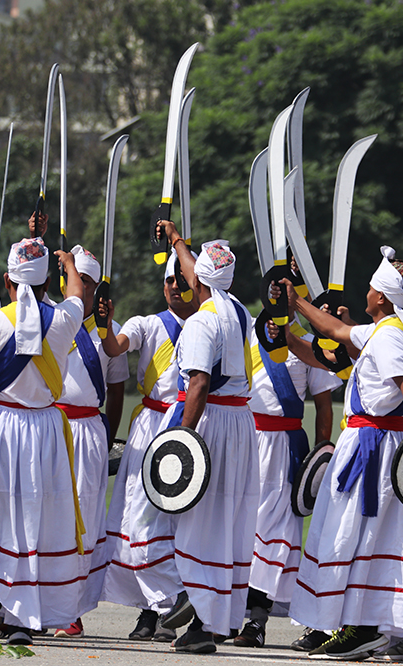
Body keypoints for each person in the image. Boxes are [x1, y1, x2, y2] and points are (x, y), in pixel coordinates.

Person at [282, 246, 403, 660]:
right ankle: (355, 625)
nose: (365, 292)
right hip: (368, 445)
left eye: (370, 287)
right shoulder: (387, 328)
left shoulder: (390, 338)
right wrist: (296, 303)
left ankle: (365, 627)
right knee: (353, 535)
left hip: (377, 453)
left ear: (381, 297)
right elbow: (335, 331)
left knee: (360, 535)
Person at [0, 236, 86, 646]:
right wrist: (69, 264)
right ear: (48, 283)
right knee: (30, 523)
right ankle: (21, 619)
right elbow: (76, 293)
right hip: (45, 432)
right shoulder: (64, 320)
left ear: (8, 281)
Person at [150, 221, 260, 655]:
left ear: (197, 281)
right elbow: (201, 274)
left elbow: (197, 383)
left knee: (179, 520)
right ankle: (206, 622)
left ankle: (186, 599)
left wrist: (180, 441)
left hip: (208, 422)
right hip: (239, 425)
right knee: (222, 525)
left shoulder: (200, 322)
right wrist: (178, 240)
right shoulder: (237, 309)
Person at [99, 250, 198, 643]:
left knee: (175, 525)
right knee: (137, 521)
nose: (175, 286)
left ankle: (173, 603)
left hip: (189, 426)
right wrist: (105, 325)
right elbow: (115, 348)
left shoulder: (210, 324)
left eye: (182, 280)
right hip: (149, 428)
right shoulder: (147, 323)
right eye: (170, 281)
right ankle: (152, 610)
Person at [235, 306, 340, 648]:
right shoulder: (247, 332)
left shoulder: (308, 343)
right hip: (246, 441)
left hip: (286, 450)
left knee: (274, 534)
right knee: (240, 531)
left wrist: (320, 457)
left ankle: (257, 620)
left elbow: (324, 406)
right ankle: (227, 614)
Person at [50, 245, 128, 638]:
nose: (84, 287)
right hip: (51, 426)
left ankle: (72, 606)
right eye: (77, 278)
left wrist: (107, 437)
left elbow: (117, 390)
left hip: (89, 432)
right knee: (47, 510)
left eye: (90, 282)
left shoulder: (104, 331)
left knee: (84, 517)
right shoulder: (51, 316)